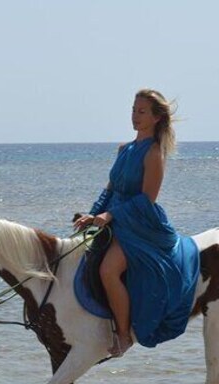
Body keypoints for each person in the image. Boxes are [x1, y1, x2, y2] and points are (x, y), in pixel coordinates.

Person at [74, 89, 199, 358]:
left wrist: (109, 216)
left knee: (108, 270)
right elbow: (109, 190)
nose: (135, 116)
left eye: (141, 112)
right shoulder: (123, 149)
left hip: (140, 226)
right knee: (76, 255)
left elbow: (147, 200)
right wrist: (92, 215)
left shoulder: (154, 153)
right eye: (133, 110)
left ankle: (123, 335)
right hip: (113, 218)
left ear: (156, 118)